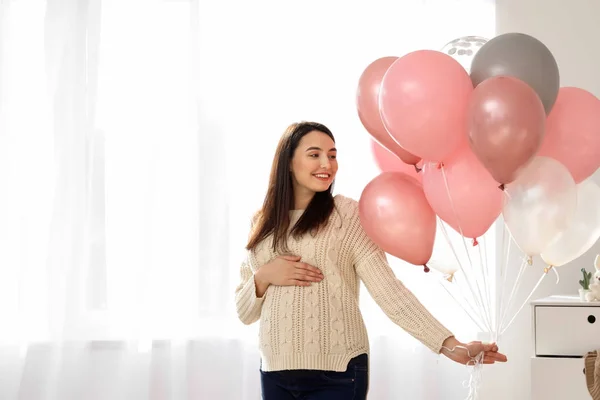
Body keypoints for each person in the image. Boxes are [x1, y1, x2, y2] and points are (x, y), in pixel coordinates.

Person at [234, 121, 507, 399]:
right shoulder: (262, 224)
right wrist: (263, 277)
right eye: (314, 154)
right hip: (274, 373)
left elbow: (389, 292)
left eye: (332, 154)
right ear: (288, 162)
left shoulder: (347, 216)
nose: (327, 163)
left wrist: (451, 345)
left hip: (338, 374)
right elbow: (245, 313)